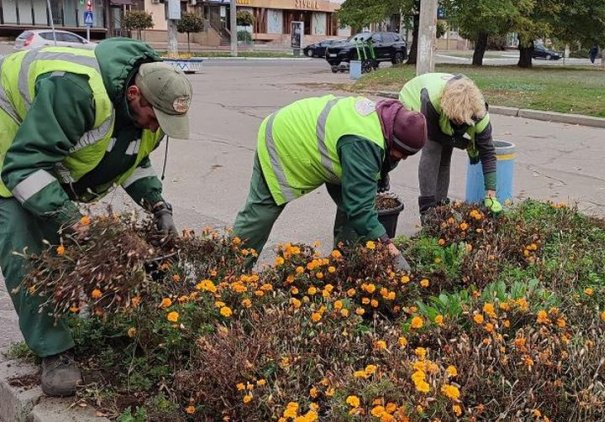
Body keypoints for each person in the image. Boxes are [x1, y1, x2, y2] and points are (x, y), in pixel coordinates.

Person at [0, 38, 193, 396]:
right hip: (10, 135)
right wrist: (73, 220)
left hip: (47, 136)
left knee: (67, 234)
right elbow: (23, 169)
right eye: (155, 118)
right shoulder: (76, 91)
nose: (156, 128)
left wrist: (158, 206)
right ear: (134, 94)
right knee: (25, 243)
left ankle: (70, 317)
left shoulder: (150, 107)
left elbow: (130, 159)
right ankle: (53, 351)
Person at [232, 95, 426, 271]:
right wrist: (388, 247)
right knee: (262, 211)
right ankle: (228, 271)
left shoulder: (385, 118)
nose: (404, 159)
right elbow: (361, 209)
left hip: (329, 144)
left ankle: (344, 264)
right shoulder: (362, 143)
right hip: (284, 138)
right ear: (392, 139)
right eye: (403, 153)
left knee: (351, 208)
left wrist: (382, 171)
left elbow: (361, 192)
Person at [398, 73, 503, 220]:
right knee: (433, 149)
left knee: (446, 154)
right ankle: (427, 210)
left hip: (445, 108)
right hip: (414, 98)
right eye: (456, 120)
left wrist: (490, 194)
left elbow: (488, 153)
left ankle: (441, 207)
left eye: (463, 122)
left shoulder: (479, 112)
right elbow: (434, 135)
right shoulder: (432, 100)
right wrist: (464, 144)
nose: (460, 125)